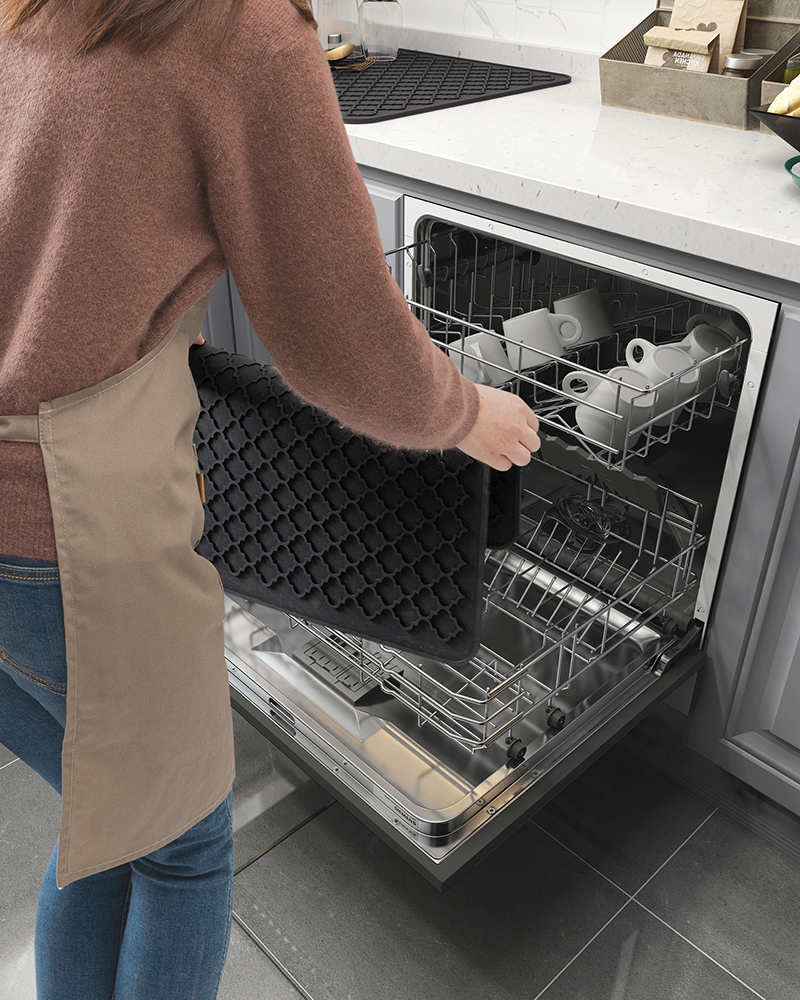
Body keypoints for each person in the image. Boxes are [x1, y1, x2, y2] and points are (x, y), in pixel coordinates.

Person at [0, 0, 540, 996]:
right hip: (63, 521)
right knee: (180, 843)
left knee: (106, 817)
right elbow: (339, 341)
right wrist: (463, 413)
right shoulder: (233, 29)